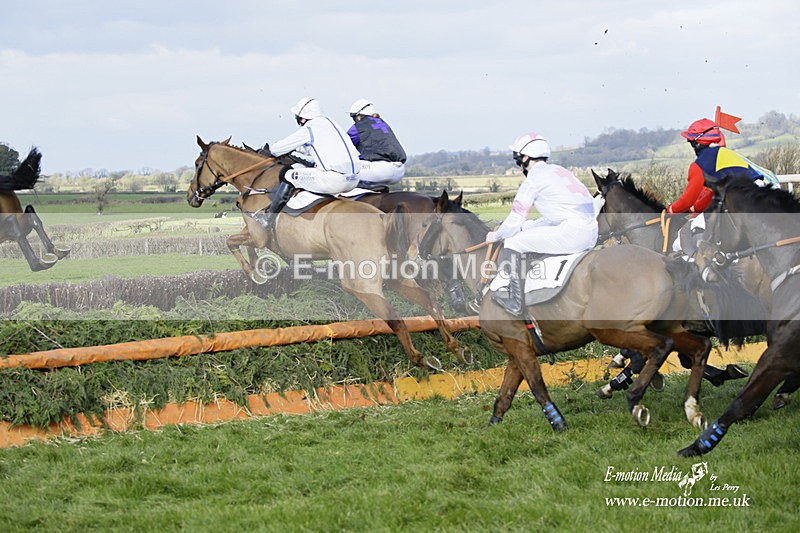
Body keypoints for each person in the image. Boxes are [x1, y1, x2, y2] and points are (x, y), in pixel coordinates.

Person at [486, 132, 598, 316]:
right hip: (590, 231)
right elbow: (553, 217)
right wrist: (526, 227)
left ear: (526, 157)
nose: (518, 165)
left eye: (518, 160)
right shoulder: (559, 171)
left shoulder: (533, 180)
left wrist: (496, 236)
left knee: (513, 242)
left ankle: (515, 301)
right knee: (523, 235)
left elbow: (514, 221)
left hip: (572, 233)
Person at [669, 117, 780, 252]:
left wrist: (670, 210)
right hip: (766, 195)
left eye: (691, 142)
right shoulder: (727, 154)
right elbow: (711, 195)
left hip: (746, 202)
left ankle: (696, 267)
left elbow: (688, 199)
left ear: (696, 144)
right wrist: (694, 209)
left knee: (691, 229)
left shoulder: (699, 165)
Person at [260, 97, 361, 224]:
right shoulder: (331, 123)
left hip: (335, 180)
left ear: (302, 117)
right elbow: (317, 147)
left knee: (288, 175)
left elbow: (276, 150)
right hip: (355, 179)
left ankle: (268, 218)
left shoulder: (309, 128)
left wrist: (286, 149)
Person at [346, 99, 407, 187]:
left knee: (345, 174)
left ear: (358, 116)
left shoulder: (359, 126)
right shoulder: (382, 122)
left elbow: (343, 144)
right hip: (399, 170)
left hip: (381, 170)